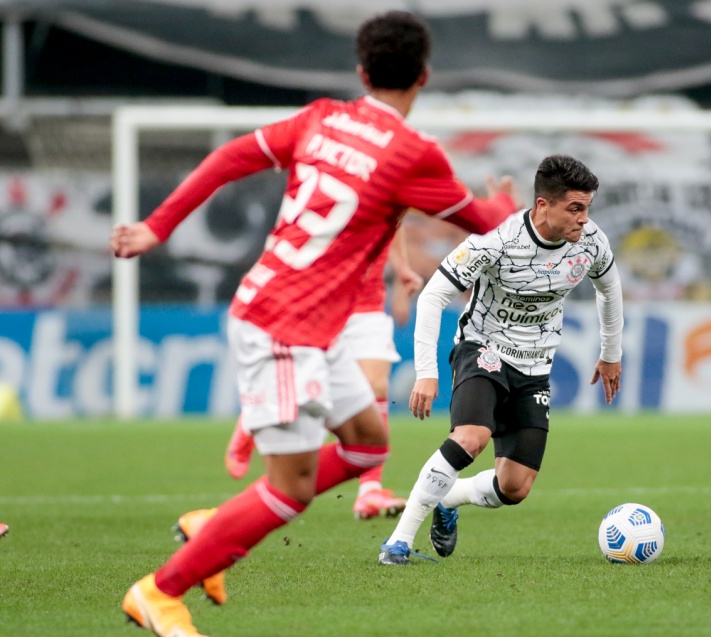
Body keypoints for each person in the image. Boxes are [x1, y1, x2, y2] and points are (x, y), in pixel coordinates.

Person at [112, 11, 518, 636]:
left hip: (301, 321)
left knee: (366, 444)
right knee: (293, 487)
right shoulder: (414, 155)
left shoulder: (320, 118)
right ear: (424, 77)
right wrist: (508, 205)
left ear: (361, 72)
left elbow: (228, 158)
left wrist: (156, 227)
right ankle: (160, 591)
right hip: (280, 327)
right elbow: (487, 223)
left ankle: (213, 531)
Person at [377, 154, 623, 565]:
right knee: (471, 437)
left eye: (587, 208)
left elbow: (610, 289)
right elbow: (434, 294)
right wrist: (426, 372)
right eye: (575, 208)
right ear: (543, 205)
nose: (584, 219)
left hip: (536, 365)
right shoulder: (496, 241)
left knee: (515, 487)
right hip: (484, 349)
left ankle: (448, 499)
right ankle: (399, 541)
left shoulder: (592, 243)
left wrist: (611, 354)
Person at [223, 229, 423, 521]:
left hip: (368, 302)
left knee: (376, 386)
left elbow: (397, 220)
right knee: (317, 392)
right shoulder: (333, 191)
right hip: (323, 299)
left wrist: (402, 272)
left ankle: (370, 491)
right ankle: (251, 418)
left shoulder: (393, 188)